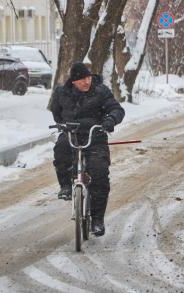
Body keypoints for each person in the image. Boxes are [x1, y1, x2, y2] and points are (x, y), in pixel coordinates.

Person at [51, 62, 125, 237]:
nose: (86, 82)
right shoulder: (62, 93)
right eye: (82, 79)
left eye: (88, 77)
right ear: (74, 81)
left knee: (99, 173)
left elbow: (116, 109)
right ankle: (66, 187)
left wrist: (110, 121)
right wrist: (63, 125)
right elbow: (57, 112)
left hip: (95, 137)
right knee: (61, 150)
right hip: (71, 134)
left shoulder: (101, 91)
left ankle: (97, 219)